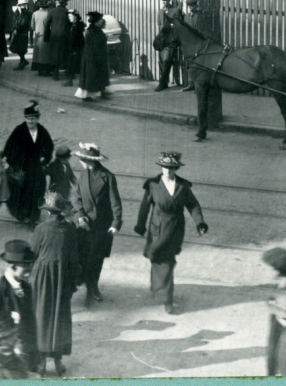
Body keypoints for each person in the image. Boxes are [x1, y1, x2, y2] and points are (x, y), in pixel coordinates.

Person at [133, 152, 208, 312]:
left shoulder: (183, 186)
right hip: (157, 228)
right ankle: (161, 290)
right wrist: (140, 224)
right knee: (158, 259)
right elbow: (145, 206)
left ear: (176, 169)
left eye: (171, 168)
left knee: (167, 261)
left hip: (175, 229)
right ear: (161, 167)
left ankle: (167, 298)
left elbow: (193, 205)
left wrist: (199, 222)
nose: (168, 171)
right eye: (165, 167)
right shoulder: (153, 184)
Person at [29, 190, 80, 377]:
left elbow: (32, 253)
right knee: (60, 318)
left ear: (48, 211)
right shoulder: (70, 229)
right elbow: (74, 259)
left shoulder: (41, 229)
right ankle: (58, 361)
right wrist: (73, 281)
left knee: (42, 316)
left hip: (42, 278)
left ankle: (41, 362)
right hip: (62, 278)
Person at [0, 240, 38, 378]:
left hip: (22, 357)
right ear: (12, 265)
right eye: (25, 264)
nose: (30, 268)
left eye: (31, 264)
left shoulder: (27, 288)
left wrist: (32, 352)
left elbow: (30, 322)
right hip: (1, 364)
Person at [70, 142, 122, 307]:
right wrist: (79, 216)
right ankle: (82, 285)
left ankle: (92, 290)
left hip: (101, 227)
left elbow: (115, 203)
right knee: (82, 257)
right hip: (84, 227)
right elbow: (76, 198)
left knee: (96, 260)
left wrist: (116, 223)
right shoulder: (82, 175)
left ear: (90, 160)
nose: (80, 161)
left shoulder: (107, 177)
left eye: (82, 159)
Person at [3, 101, 54, 227]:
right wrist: (15, 163)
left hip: (36, 168)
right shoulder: (19, 131)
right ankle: (21, 213)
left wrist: (45, 159)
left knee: (37, 191)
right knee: (19, 192)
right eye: (28, 119)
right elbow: (9, 148)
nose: (31, 121)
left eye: (33, 118)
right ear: (25, 119)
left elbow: (49, 147)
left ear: (37, 118)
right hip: (21, 169)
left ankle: (33, 218)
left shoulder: (42, 131)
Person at [76, 12, 109, 100]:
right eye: (100, 20)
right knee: (90, 75)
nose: (102, 22)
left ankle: (96, 93)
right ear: (96, 22)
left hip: (92, 55)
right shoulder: (93, 31)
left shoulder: (94, 30)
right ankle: (87, 95)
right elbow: (96, 44)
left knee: (93, 75)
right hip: (93, 56)